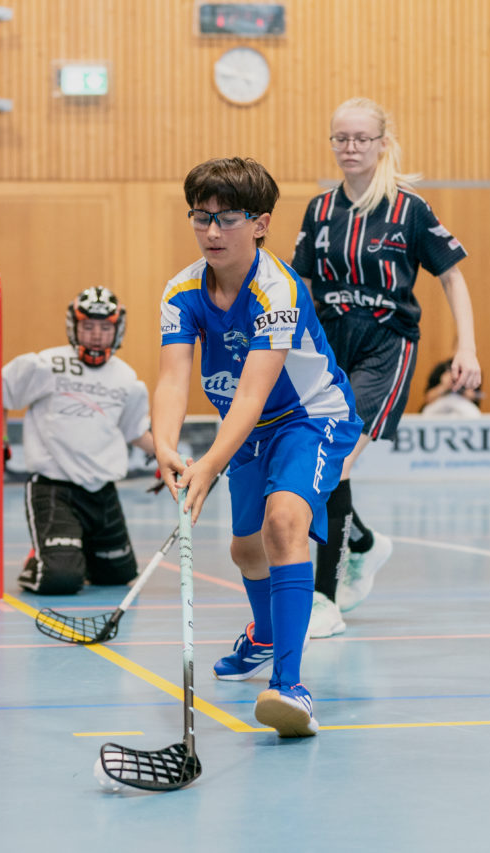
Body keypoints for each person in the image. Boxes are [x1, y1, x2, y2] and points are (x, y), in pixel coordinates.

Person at [156, 156, 362, 738]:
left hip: (308, 418)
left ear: (261, 224)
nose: (212, 231)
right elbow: (172, 379)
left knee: (284, 524)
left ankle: (290, 686)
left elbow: (251, 395)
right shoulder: (181, 291)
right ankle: (265, 635)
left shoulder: (278, 290)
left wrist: (207, 465)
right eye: (201, 217)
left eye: (227, 219)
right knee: (247, 552)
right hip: (248, 430)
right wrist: (165, 446)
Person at [291, 97, 481, 637]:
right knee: (319, 464)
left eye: (361, 138)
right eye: (341, 138)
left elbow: (452, 276)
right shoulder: (319, 210)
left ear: (382, 143)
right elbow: (300, 283)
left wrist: (466, 347)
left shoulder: (409, 209)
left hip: (386, 345)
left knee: (336, 462)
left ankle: (324, 601)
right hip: (329, 348)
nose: (350, 147)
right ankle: (364, 543)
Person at [3, 286, 155, 595]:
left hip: (102, 492)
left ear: (117, 330)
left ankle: (70, 551)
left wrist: (169, 458)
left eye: (105, 328)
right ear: (74, 327)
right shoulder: (47, 364)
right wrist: (0, 439)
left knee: (118, 576)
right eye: (88, 326)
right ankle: (41, 560)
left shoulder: (127, 379)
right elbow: (2, 393)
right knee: (60, 579)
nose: (96, 335)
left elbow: (135, 431)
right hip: (53, 488)